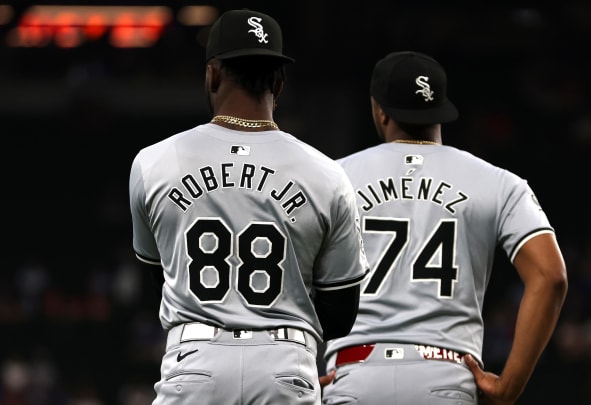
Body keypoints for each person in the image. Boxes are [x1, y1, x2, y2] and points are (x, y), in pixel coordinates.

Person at [128, 9, 368, 405]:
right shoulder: (327, 173)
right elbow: (341, 312)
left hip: (194, 361)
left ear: (212, 74)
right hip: (285, 364)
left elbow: (159, 278)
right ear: (279, 80)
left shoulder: (154, 162)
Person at [320, 51, 568, 405]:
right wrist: (509, 385)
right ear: (440, 107)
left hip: (355, 373)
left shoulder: (330, 177)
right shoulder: (498, 182)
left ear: (380, 110)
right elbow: (551, 276)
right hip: (445, 374)